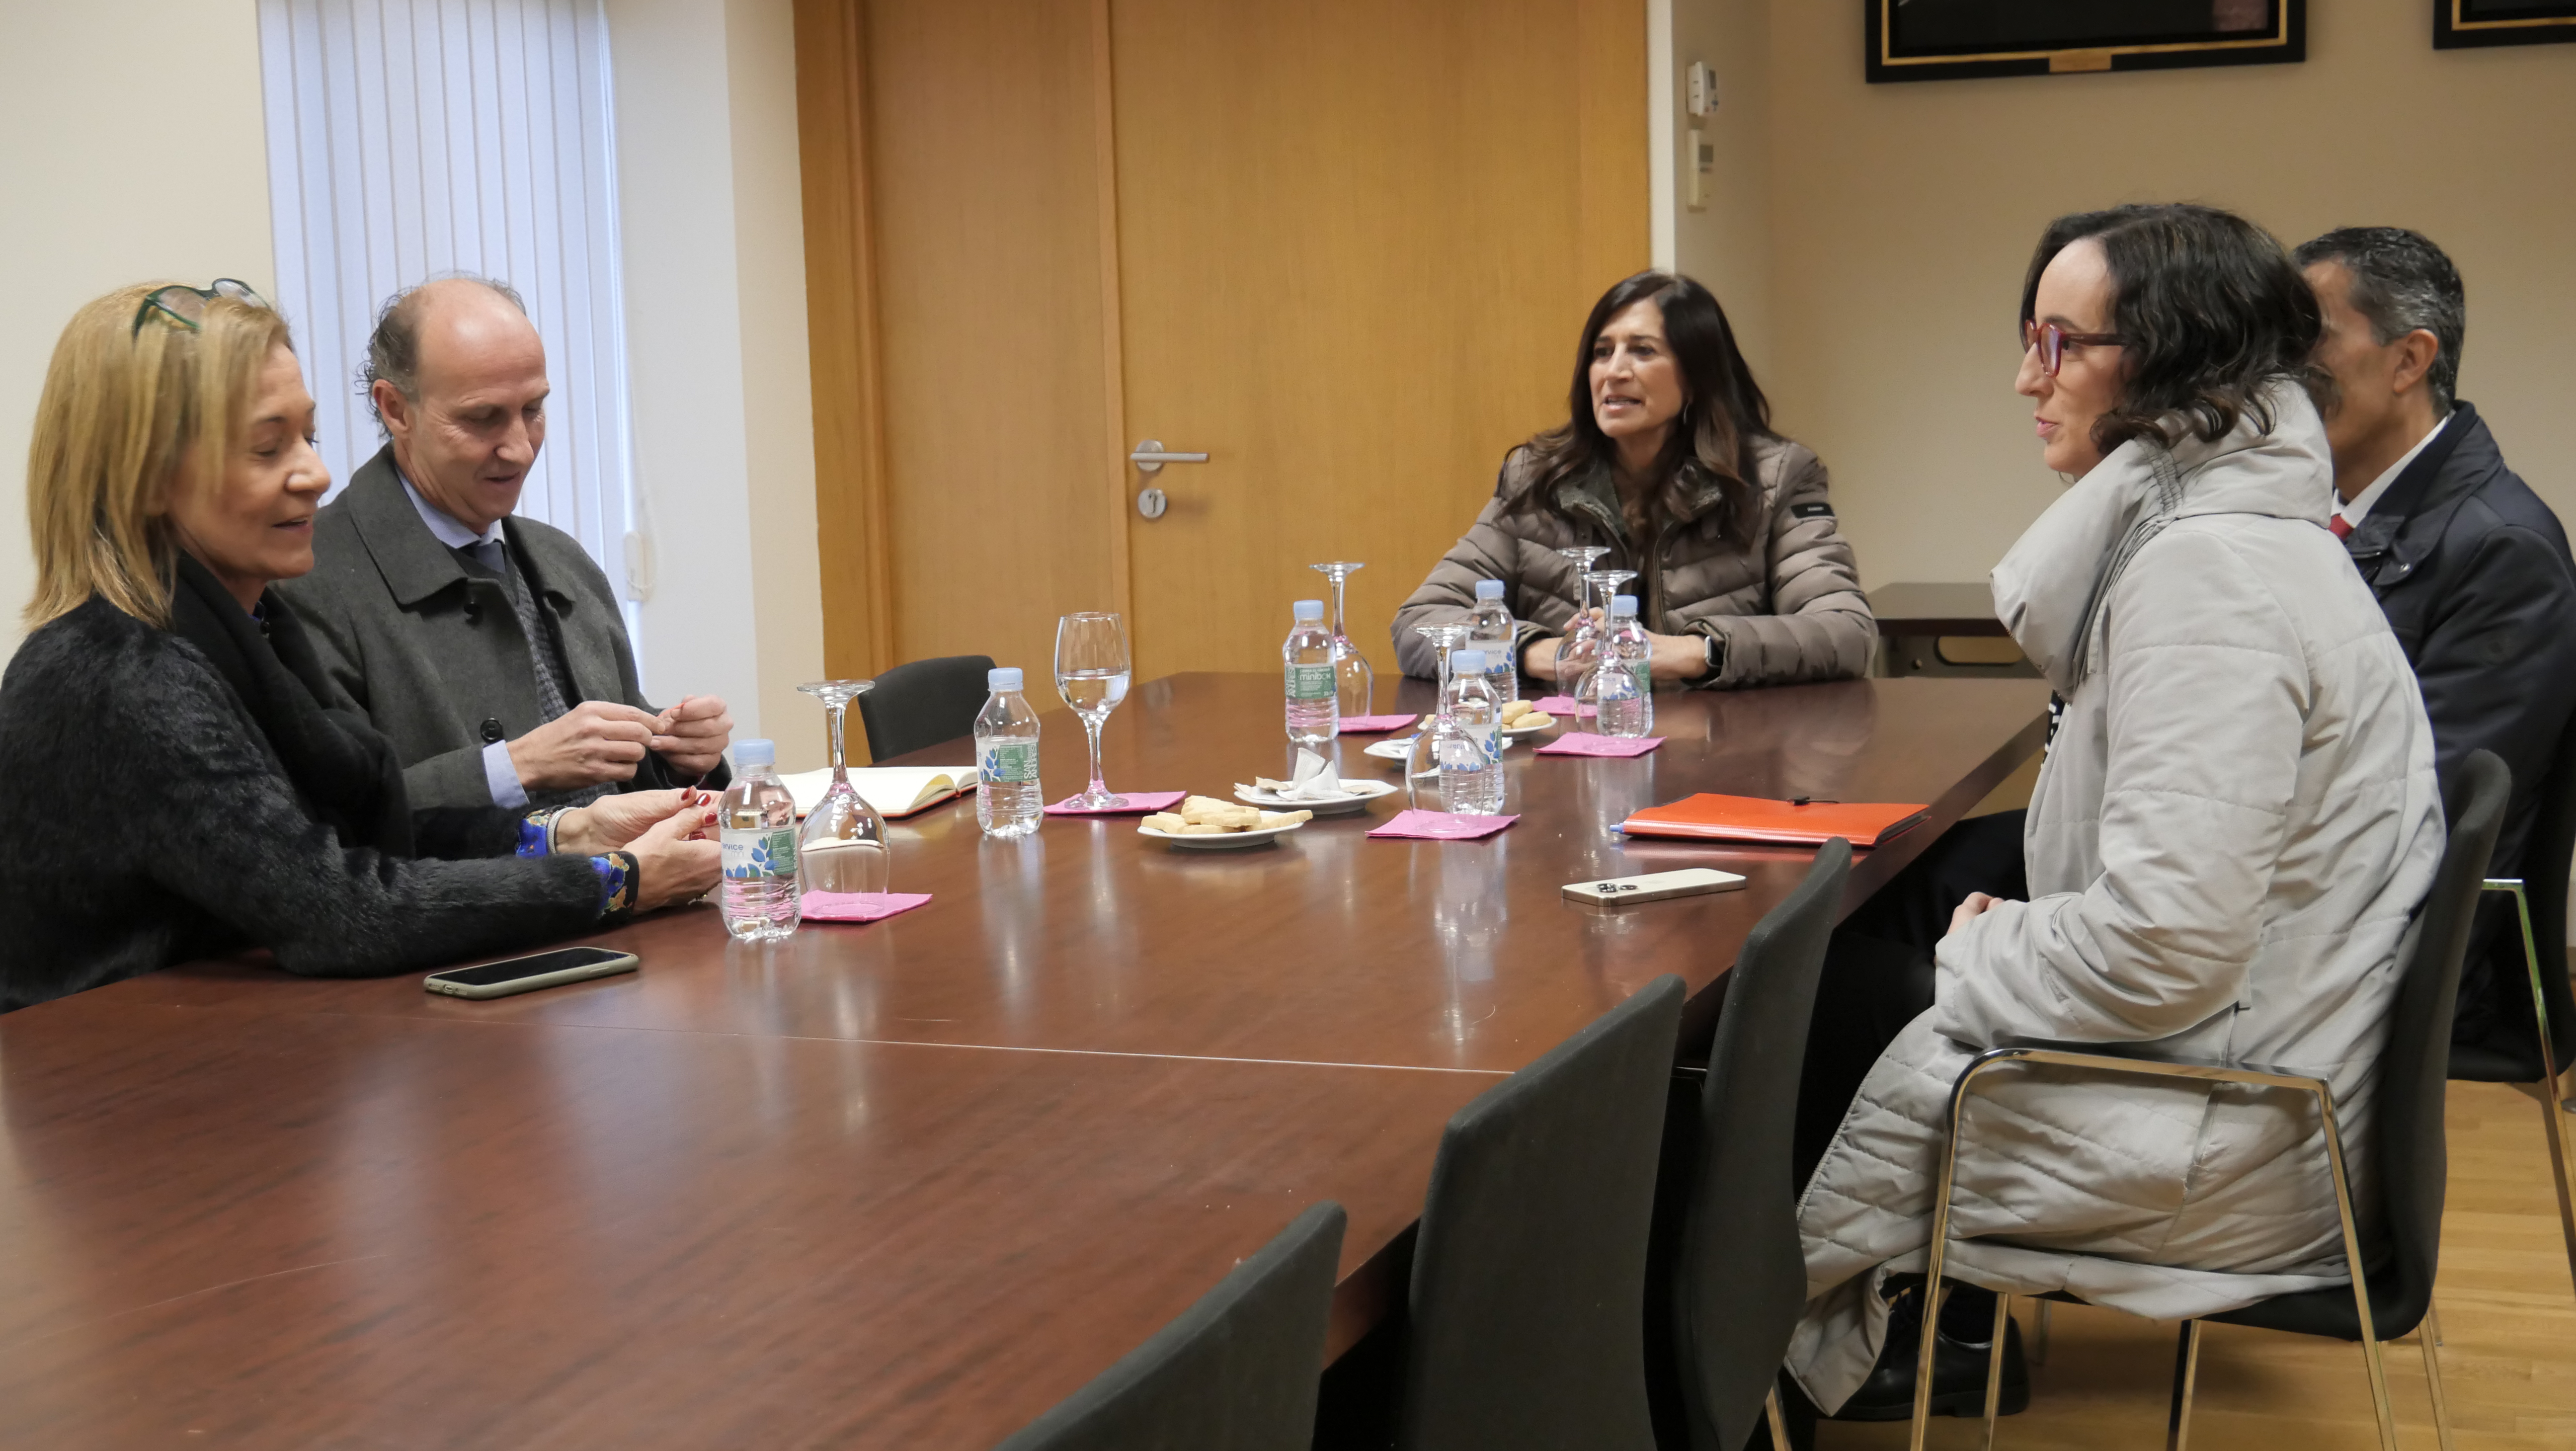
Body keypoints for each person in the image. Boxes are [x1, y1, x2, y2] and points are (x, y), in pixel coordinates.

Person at [1785, 205, 2443, 1422]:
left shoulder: (2208, 575)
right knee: (1849, 961)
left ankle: (1782, 1369)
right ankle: (1860, 1344)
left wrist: (1984, 946)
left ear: (2173, 363)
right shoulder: (2238, 536)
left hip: (2224, 1131)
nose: (2025, 378)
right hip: (2250, 1076)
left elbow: (2166, 945)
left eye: (2059, 343)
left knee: (1787, 1007)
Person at [0, 282, 721, 1014]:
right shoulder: (122, 676)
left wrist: (567, 833)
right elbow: (342, 907)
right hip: (114, 1067)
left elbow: (372, 834)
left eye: (308, 439)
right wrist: (617, 880)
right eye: (267, 448)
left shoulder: (251, 630)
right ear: (147, 480)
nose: (316, 475)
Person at [276, 275, 732, 812]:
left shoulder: (563, 561)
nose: (520, 449)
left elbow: (618, 784)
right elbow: (331, 821)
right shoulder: (307, 581)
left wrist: (677, 754)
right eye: (483, 418)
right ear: (395, 409)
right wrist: (513, 768)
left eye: (533, 410)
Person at [2293, 226, 2576, 1056]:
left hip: (2387, 958)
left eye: (2307, 339)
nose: (2277, 370)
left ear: (2409, 360)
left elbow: (2417, 823)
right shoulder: (2319, 510)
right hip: (2303, 897)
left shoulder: (2501, 548)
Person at [1390, 271, 1872, 689]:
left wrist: (1693, 652)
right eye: (1602, 353)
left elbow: (1846, 632)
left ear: (1697, 377)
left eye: (1642, 351)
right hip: (1572, 749)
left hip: (1724, 746)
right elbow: (1420, 622)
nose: (1615, 372)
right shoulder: (1537, 479)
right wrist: (1534, 651)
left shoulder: (1774, 478)